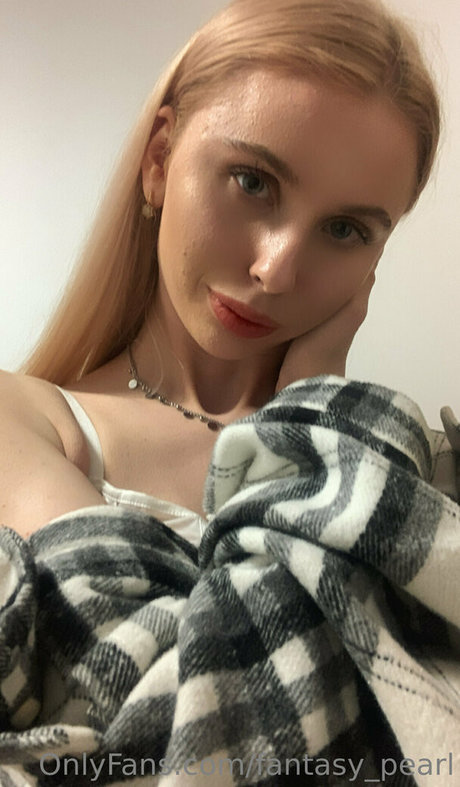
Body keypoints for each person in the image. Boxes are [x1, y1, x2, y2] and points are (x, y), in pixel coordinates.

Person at [0, 0, 458, 784]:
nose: (276, 269)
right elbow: (172, 727)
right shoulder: (25, 417)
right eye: (253, 181)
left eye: (345, 230)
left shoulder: (402, 461)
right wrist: (315, 407)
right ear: (160, 159)